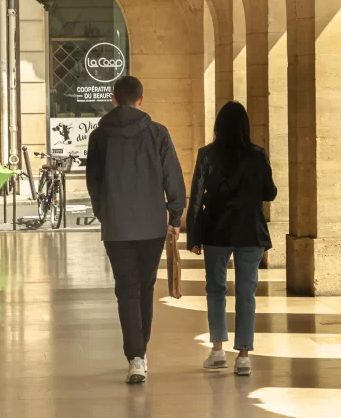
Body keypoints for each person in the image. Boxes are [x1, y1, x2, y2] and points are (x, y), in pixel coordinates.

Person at [85, 75, 185, 384]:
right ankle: (142, 350)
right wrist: (175, 214)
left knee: (126, 290)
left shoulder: (100, 136)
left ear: (113, 99)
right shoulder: (157, 133)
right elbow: (173, 175)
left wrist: (105, 214)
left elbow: (94, 182)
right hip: (151, 225)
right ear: (140, 100)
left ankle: (136, 355)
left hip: (117, 227)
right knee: (145, 287)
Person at [185, 101, 276, 377]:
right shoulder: (257, 154)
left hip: (216, 230)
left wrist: (194, 234)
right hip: (250, 230)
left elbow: (197, 197)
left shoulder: (206, 155)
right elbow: (269, 193)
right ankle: (244, 356)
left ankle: (217, 351)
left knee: (215, 289)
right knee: (246, 293)